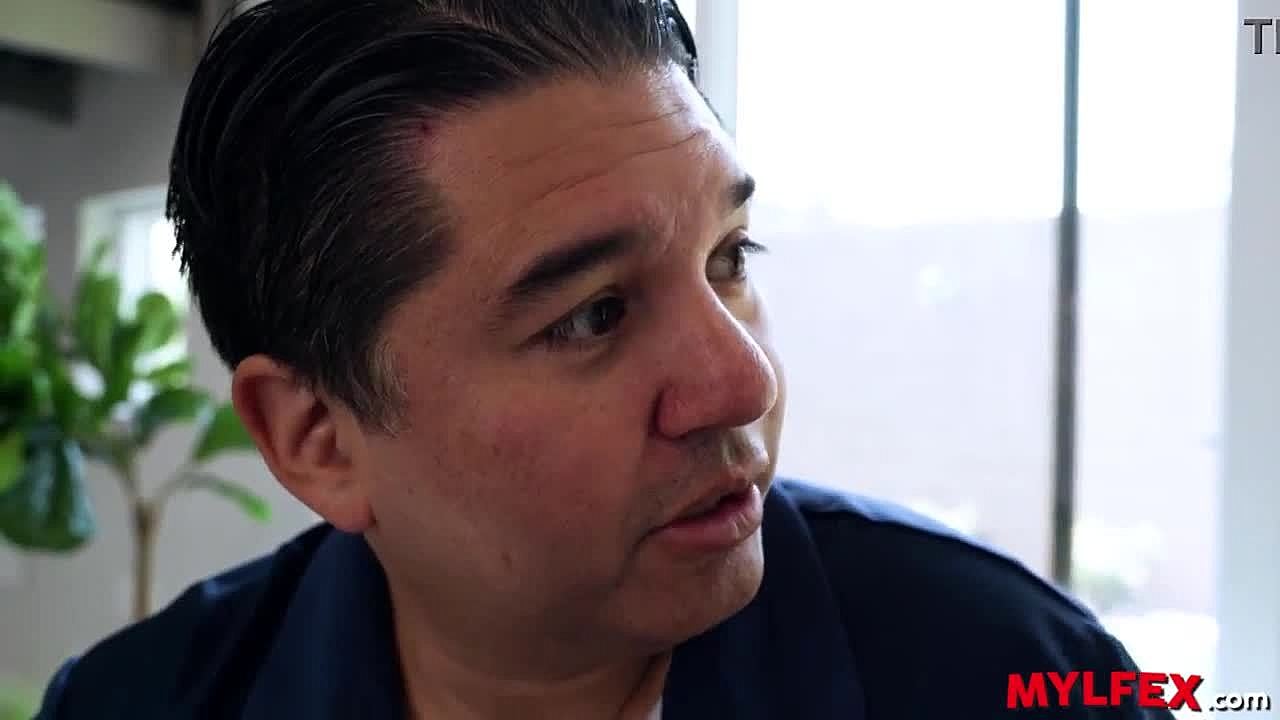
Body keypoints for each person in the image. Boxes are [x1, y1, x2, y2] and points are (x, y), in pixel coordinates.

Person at [34, 1, 1173, 718]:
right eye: (592, 316)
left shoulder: (1008, 675)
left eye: (729, 258)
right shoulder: (140, 703)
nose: (744, 382)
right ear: (317, 438)